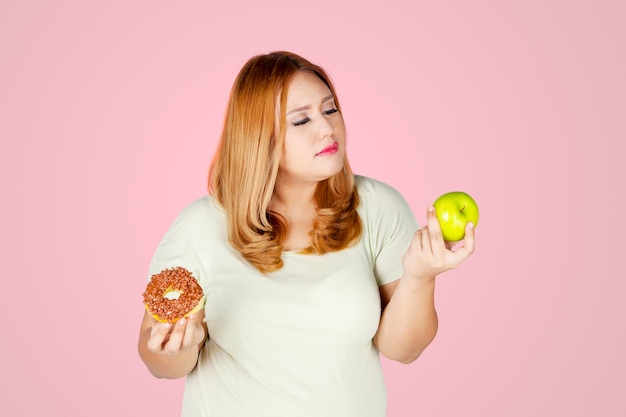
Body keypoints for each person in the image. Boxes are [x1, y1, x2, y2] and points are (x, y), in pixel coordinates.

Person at [138, 51, 476, 417]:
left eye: (330, 110)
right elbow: (159, 363)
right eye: (301, 121)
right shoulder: (200, 226)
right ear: (258, 138)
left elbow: (403, 350)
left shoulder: (378, 207)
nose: (327, 128)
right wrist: (178, 348)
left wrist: (419, 278)